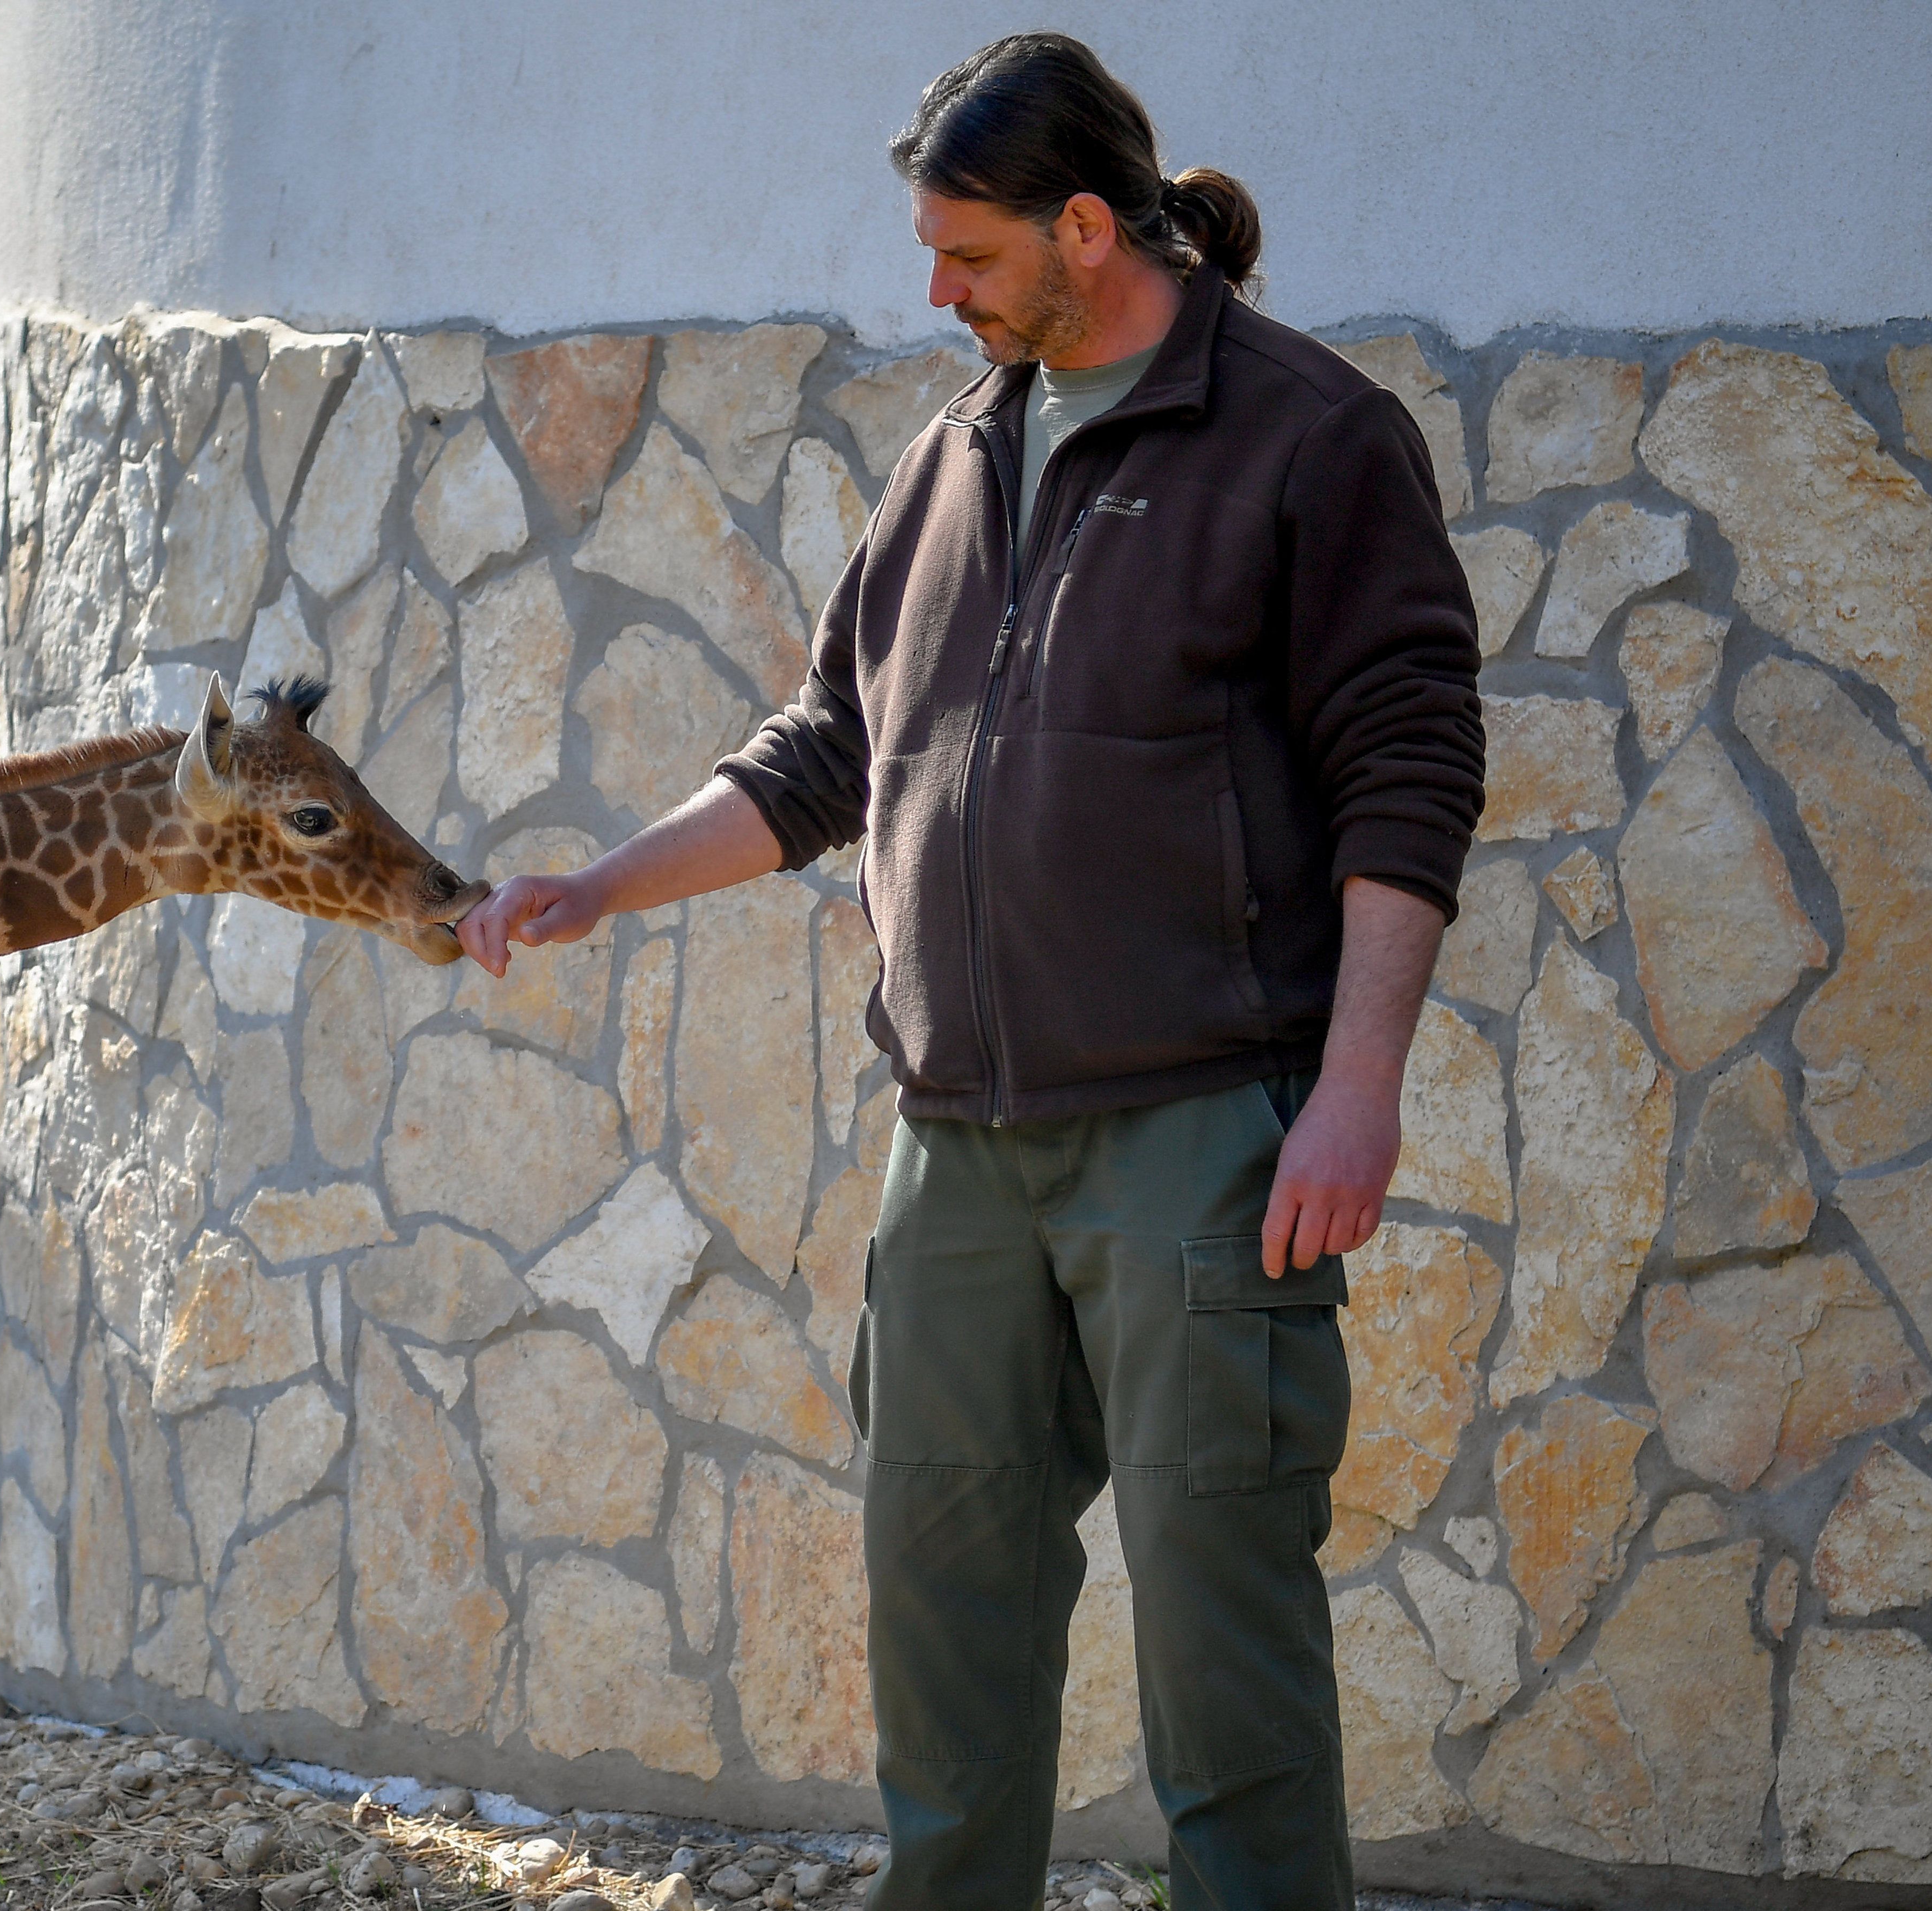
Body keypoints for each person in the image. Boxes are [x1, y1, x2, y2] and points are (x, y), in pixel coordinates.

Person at [456, 32, 1483, 1911]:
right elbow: (826, 751)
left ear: (1087, 228)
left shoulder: (1307, 440)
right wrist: (602, 883)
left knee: (1220, 1647)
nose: (935, 292)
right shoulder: (953, 454)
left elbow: (1404, 781)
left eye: (970, 255)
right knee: (944, 1637)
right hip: (957, 1156)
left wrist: (1356, 1084)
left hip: (1200, 1145)